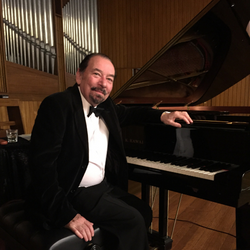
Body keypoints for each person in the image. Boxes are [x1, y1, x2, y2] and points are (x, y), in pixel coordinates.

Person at [25, 53, 193, 250]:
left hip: (101, 187)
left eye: (110, 79)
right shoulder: (57, 105)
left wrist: (163, 115)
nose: (103, 83)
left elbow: (131, 113)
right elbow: (41, 167)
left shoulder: (106, 106)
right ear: (79, 76)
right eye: (97, 74)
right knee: (133, 220)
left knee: (144, 212)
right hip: (72, 191)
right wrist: (66, 214)